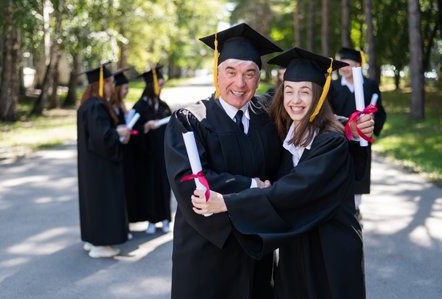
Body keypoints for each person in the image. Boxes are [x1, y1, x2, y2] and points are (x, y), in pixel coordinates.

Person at [164, 23, 373, 299]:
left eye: (249, 74)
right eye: (231, 72)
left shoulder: (267, 115)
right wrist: (252, 186)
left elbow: (310, 117)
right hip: (210, 256)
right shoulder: (189, 121)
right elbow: (195, 189)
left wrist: (349, 128)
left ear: (259, 79)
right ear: (217, 72)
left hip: (258, 257)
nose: (240, 83)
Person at [77, 63, 131, 258]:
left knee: (93, 202)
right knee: (103, 202)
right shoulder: (97, 106)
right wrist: (118, 133)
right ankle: (101, 245)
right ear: (101, 84)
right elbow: (102, 138)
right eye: (109, 83)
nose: (112, 86)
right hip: (102, 166)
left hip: (91, 165)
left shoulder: (87, 104)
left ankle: (93, 240)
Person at [328, 47, 387, 217]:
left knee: (359, 169)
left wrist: (372, 119)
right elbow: (329, 111)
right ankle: (339, 203)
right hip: (340, 134)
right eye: (343, 65)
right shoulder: (333, 86)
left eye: (349, 65)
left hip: (362, 135)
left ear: (357, 66)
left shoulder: (369, 84)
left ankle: (355, 207)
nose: (344, 69)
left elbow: (378, 108)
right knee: (339, 167)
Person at [129, 66, 172, 234]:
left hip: (162, 154)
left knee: (164, 186)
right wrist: (145, 127)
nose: (161, 88)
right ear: (150, 85)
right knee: (149, 187)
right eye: (159, 84)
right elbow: (131, 130)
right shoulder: (140, 106)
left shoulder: (163, 105)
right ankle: (152, 220)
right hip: (146, 154)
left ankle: (165, 219)